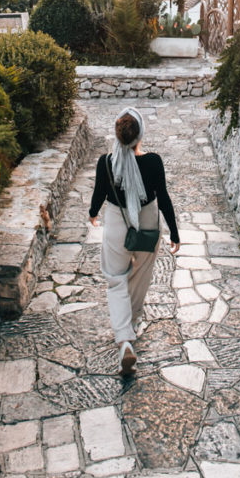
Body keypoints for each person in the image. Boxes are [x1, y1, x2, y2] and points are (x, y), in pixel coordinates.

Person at [89, 107, 180, 375]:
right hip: (148, 222)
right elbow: (163, 198)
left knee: (116, 278)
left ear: (118, 137)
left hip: (118, 223)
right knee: (140, 276)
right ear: (140, 135)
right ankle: (134, 321)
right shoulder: (153, 161)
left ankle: (124, 340)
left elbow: (98, 194)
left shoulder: (105, 162)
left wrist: (93, 214)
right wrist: (174, 232)